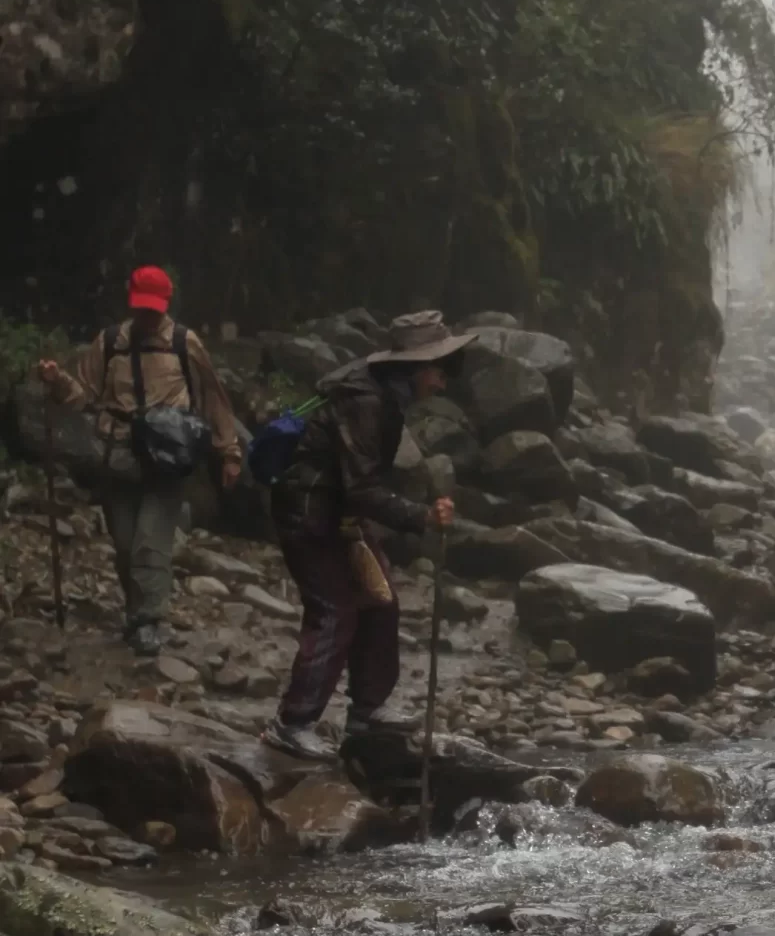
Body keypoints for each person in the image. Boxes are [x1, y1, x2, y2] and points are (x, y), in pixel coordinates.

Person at [263, 309, 470, 761]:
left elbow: (360, 484)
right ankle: (292, 724)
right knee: (335, 611)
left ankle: (367, 710)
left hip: (337, 512)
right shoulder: (366, 400)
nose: (441, 382)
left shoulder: (382, 392)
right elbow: (363, 488)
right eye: (438, 371)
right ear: (415, 368)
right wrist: (422, 517)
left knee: (380, 600)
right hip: (309, 513)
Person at [37, 264, 242, 656]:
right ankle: (136, 614)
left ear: (165, 304)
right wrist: (58, 381)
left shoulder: (185, 343)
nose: (147, 316)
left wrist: (229, 453)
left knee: (150, 543)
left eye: (153, 308)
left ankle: (150, 620)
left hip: (169, 458)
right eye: (141, 307)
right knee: (125, 544)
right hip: (119, 456)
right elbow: (83, 394)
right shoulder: (111, 342)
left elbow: (214, 400)